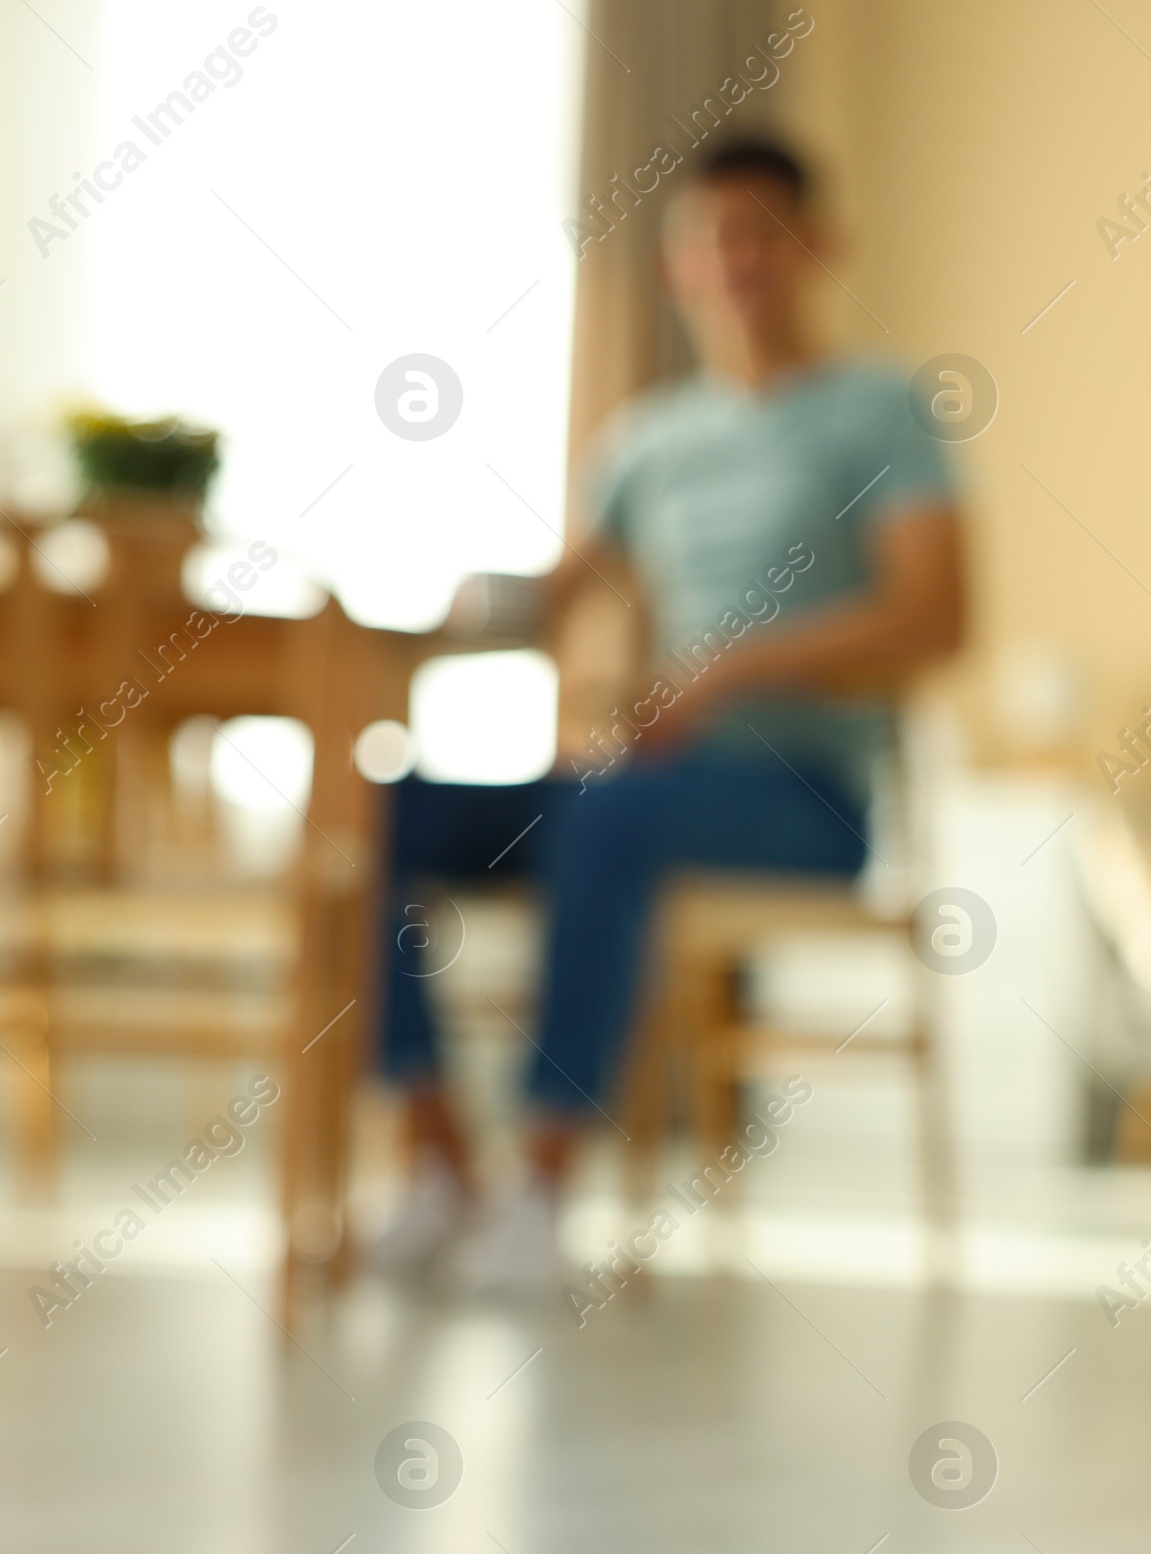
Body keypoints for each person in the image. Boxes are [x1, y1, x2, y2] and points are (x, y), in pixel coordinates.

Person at [371, 133, 968, 1290]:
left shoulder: (882, 411)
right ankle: (441, 1165)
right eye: (711, 237)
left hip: (803, 799)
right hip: (641, 787)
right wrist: (409, 617)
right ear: (674, 267)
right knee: (377, 812)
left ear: (819, 250)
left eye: (762, 233)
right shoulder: (651, 439)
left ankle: (541, 1193)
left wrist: (732, 668)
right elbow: (552, 597)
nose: (736, 259)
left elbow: (935, 620)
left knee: (608, 816)